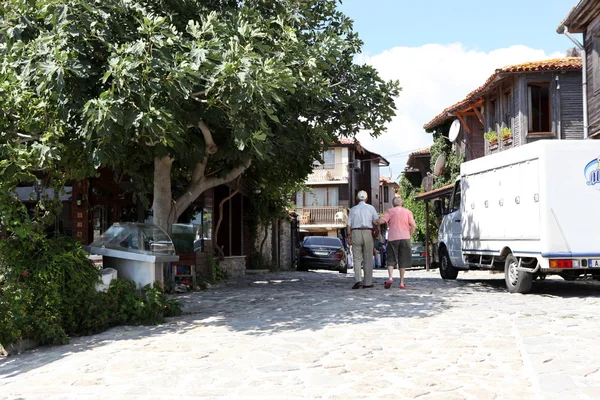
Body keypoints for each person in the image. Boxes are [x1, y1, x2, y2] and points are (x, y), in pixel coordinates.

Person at [378, 196, 416, 289]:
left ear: (393, 204)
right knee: (403, 260)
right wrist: (409, 234)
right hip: (405, 238)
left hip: (393, 238)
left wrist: (375, 221)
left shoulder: (390, 211)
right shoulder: (408, 212)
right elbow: (413, 225)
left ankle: (390, 278)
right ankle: (402, 283)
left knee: (391, 259)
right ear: (401, 203)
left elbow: (381, 221)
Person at [347, 190, 379, 289]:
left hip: (355, 232)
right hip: (368, 232)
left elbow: (348, 224)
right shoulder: (371, 208)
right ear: (367, 198)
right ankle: (367, 282)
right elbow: (376, 221)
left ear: (357, 199)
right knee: (368, 258)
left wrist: (348, 236)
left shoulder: (352, 209)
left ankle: (358, 280)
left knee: (357, 258)